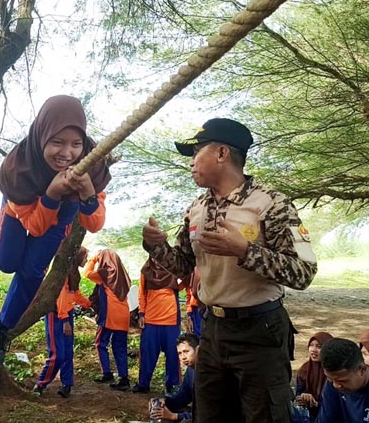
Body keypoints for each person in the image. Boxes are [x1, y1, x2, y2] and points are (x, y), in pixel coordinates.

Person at [141, 117, 318, 423]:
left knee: (265, 416)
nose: (192, 163)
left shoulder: (272, 203)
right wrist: (156, 246)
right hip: (213, 330)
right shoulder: (196, 208)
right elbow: (183, 265)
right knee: (208, 414)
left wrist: (245, 251)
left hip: (260, 330)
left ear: (222, 153)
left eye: (197, 152)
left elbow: (303, 271)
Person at [0, 95, 112, 368]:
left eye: (75, 144)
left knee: (32, 272)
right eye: (57, 142)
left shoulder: (92, 163)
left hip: (62, 214)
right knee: (8, 263)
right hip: (21, 206)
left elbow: (94, 224)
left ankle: (2, 327)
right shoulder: (17, 168)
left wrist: (89, 193)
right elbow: (34, 225)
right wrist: (52, 193)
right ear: (42, 136)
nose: (67, 153)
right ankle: (3, 317)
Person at [32, 247, 92, 398]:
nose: (86, 260)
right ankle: (40, 384)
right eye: (85, 257)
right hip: (56, 316)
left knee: (67, 352)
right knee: (57, 354)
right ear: (77, 258)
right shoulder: (63, 275)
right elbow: (61, 298)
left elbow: (75, 293)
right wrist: (64, 319)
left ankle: (67, 384)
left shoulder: (73, 274)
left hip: (67, 314)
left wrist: (87, 304)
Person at [133, 256, 183, 393]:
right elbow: (141, 293)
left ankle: (173, 385)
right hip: (151, 320)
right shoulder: (146, 271)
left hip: (171, 320)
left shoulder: (173, 269)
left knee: (173, 354)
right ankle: (143, 384)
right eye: (154, 257)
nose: (157, 260)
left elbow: (189, 279)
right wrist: (141, 313)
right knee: (147, 353)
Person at [85, 248, 132, 391]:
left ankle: (107, 372)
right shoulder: (124, 275)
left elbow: (87, 273)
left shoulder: (104, 274)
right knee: (120, 348)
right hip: (124, 315)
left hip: (110, 316)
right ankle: (124, 378)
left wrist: (93, 259)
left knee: (100, 343)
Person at [149, 333, 199, 422]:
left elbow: (208, 413)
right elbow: (182, 397)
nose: (183, 357)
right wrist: (165, 402)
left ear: (197, 350)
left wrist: (174, 416)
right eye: (180, 353)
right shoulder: (191, 370)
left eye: (186, 351)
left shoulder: (208, 374)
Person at [295, 332, 334, 422]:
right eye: (311, 345)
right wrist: (303, 397)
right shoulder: (304, 370)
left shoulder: (335, 372)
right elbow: (297, 396)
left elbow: (338, 403)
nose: (313, 350)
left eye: (319, 346)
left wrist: (317, 404)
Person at [183, 267, 203, 336]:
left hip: (207, 307)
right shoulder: (192, 272)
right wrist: (189, 314)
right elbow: (189, 294)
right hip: (195, 310)